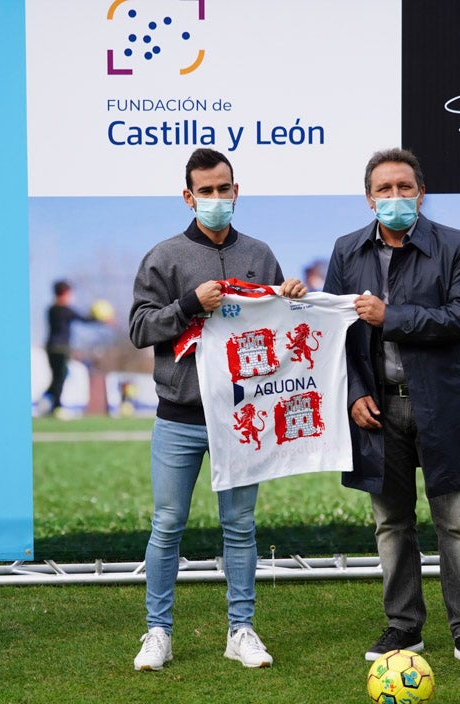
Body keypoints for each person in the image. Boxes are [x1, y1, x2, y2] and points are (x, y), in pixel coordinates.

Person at [322, 148, 460, 671]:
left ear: (421, 194)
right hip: (378, 411)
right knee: (391, 525)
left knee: (456, 525)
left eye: (405, 187)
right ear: (369, 198)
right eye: (384, 189)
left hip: (444, 407)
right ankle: (404, 625)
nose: (395, 196)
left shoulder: (456, 245)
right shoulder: (346, 250)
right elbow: (334, 331)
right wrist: (354, 393)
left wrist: (391, 316)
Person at [128, 147, 305, 671]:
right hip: (179, 417)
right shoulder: (163, 257)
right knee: (167, 524)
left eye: (223, 188)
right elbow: (138, 329)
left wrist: (292, 297)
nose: (215, 198)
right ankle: (157, 632)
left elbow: (279, 328)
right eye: (205, 191)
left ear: (236, 190)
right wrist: (188, 305)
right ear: (188, 197)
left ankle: (241, 629)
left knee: (240, 526)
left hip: (241, 416)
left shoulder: (260, 254)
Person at [43, 279, 105, 419]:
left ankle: (47, 398)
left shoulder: (51, 309)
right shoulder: (64, 310)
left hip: (51, 347)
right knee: (60, 377)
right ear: (64, 293)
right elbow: (83, 319)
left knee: (59, 376)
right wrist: (100, 319)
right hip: (60, 349)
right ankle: (56, 407)